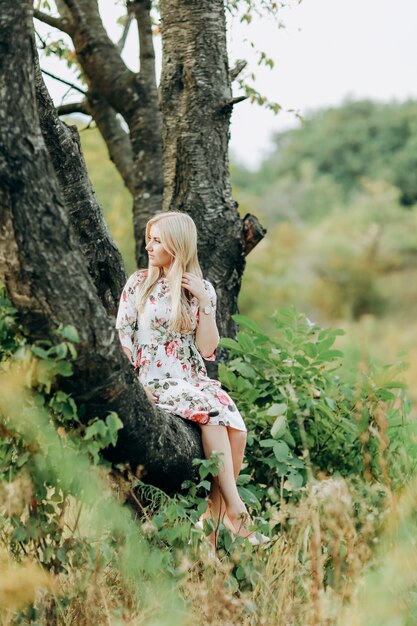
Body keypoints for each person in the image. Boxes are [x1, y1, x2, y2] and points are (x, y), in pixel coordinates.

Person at [116, 211, 268, 547]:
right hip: (153, 377)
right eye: (149, 239)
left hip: (190, 378)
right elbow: (123, 334)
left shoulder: (200, 289)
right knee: (211, 416)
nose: (149, 246)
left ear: (177, 245)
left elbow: (207, 348)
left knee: (237, 429)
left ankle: (211, 528)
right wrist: (130, 377)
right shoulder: (139, 283)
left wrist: (205, 302)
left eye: (157, 240)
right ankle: (236, 509)